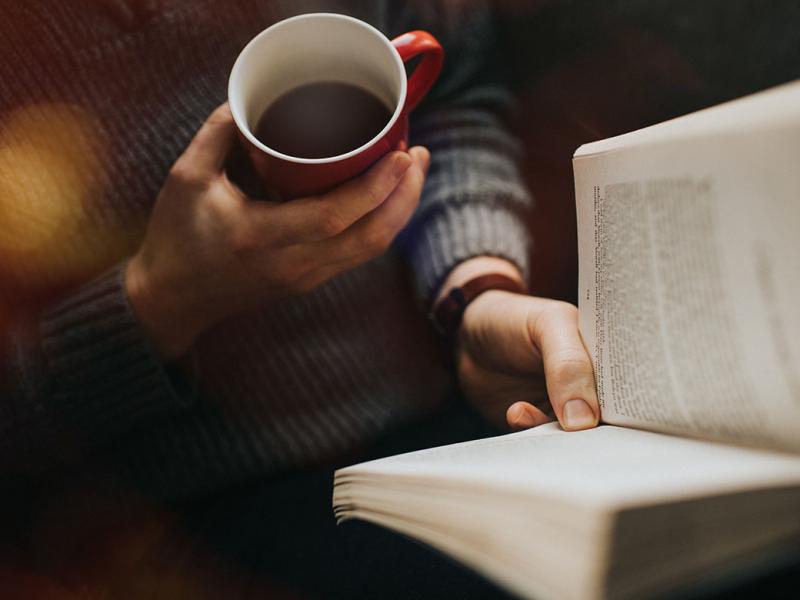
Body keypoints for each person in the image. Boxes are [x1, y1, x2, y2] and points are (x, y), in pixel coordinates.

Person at [0, 0, 598, 596]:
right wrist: (159, 299)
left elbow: (452, 98)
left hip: (443, 410)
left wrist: (474, 293)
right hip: (179, 522)